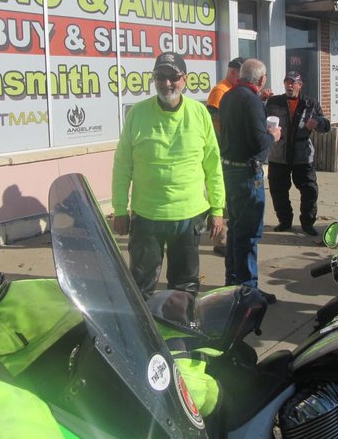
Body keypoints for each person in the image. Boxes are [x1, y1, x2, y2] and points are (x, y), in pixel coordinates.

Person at [112, 52, 225, 299]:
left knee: (184, 288)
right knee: (140, 288)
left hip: (188, 217)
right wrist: (120, 209)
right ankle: (142, 335)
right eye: (161, 77)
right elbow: (122, 166)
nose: (167, 83)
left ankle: (180, 333)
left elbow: (213, 165)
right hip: (146, 217)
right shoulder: (137, 114)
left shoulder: (199, 113)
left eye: (173, 77)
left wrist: (217, 210)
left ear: (184, 79)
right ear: (154, 79)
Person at [218, 58, 281, 304]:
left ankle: (232, 282)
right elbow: (257, 142)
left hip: (230, 170)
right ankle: (248, 290)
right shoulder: (251, 100)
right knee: (249, 232)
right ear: (262, 79)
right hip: (247, 173)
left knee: (236, 228)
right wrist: (273, 135)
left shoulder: (229, 95)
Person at [265, 71, 331, 236]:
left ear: (300, 85)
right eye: (287, 82)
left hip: (302, 156)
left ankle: (307, 223)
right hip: (278, 154)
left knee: (309, 190)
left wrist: (318, 123)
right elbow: (259, 117)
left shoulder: (310, 103)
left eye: (293, 82)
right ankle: (285, 221)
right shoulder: (274, 102)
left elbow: (326, 125)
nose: (290, 85)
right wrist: (260, 97)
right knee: (278, 191)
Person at [205, 56, 244, 257]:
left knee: (227, 196)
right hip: (221, 152)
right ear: (233, 72)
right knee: (221, 195)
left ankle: (221, 236)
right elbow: (212, 120)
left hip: (226, 151)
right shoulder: (220, 90)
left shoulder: (232, 89)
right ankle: (220, 241)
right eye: (242, 73)